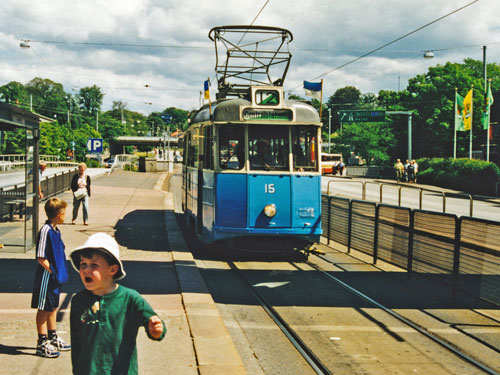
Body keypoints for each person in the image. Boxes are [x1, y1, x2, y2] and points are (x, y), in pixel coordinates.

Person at [69, 233, 166, 375]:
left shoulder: (130, 298)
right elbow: (76, 342)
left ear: (112, 269)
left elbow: (153, 323)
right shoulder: (78, 300)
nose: (85, 270)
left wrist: (156, 330)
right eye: (83, 264)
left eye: (94, 265)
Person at [31, 197, 70, 358]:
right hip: (48, 277)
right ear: (59, 214)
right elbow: (40, 256)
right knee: (44, 308)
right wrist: (52, 271)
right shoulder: (46, 230)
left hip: (56, 277)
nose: (65, 215)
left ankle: (52, 336)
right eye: (64, 212)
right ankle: (41, 342)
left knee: (53, 306)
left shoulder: (56, 230)